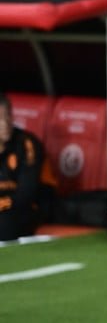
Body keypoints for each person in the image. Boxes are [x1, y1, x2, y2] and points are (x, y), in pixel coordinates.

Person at [0, 93, 51, 241]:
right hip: (4, 207)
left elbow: (26, 194)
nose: (5, 123)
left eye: (8, 116)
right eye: (0, 119)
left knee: (4, 223)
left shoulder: (27, 143)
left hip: (31, 207)